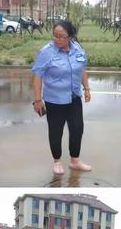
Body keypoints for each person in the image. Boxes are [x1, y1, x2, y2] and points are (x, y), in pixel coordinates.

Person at [32, 20, 92, 174]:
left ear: (70, 37)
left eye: (61, 36)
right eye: (55, 36)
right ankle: (57, 161)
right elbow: (38, 76)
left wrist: (86, 88)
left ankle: (75, 161)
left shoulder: (78, 49)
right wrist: (38, 100)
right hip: (55, 100)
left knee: (77, 129)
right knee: (56, 131)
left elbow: (82, 69)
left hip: (74, 98)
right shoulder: (46, 52)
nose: (57, 39)